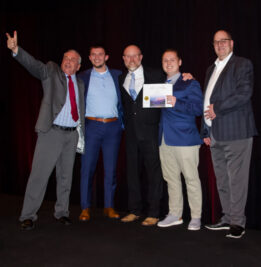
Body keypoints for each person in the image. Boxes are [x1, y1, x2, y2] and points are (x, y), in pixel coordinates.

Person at [6, 31, 85, 230]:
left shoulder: (81, 83)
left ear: (79, 65)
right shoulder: (51, 71)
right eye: (66, 58)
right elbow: (34, 66)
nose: (68, 61)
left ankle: (62, 213)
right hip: (52, 133)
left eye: (73, 59)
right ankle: (28, 215)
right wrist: (16, 50)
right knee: (39, 175)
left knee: (66, 176)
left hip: (71, 135)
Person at [201, 30, 257, 238]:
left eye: (223, 41)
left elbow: (244, 94)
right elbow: (206, 100)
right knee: (222, 180)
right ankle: (227, 218)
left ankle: (238, 222)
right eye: (216, 42)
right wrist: (204, 130)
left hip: (236, 131)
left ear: (232, 43)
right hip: (214, 134)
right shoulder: (211, 69)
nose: (220, 45)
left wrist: (218, 108)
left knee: (237, 179)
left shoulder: (242, 64)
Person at [118, 45, 166, 226]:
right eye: (128, 57)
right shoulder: (120, 78)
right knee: (132, 174)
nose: (131, 60)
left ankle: (154, 213)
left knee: (154, 174)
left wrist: (187, 77)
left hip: (151, 133)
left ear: (141, 57)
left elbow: (167, 93)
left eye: (135, 56)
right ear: (123, 59)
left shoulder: (155, 75)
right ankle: (134, 210)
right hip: (130, 134)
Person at [157, 49, 204, 231]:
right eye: (165, 60)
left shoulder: (189, 82)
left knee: (191, 179)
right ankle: (175, 214)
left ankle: (196, 216)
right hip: (164, 139)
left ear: (180, 61)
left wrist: (177, 102)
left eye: (172, 60)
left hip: (185, 138)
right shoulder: (159, 86)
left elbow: (198, 109)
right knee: (171, 179)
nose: (168, 63)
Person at [78, 46, 123, 221]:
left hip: (113, 127)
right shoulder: (82, 77)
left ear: (107, 56)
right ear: (89, 58)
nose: (97, 57)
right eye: (94, 55)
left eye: (100, 54)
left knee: (111, 170)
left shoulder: (118, 75)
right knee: (87, 169)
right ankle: (85, 207)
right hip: (91, 127)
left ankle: (109, 206)